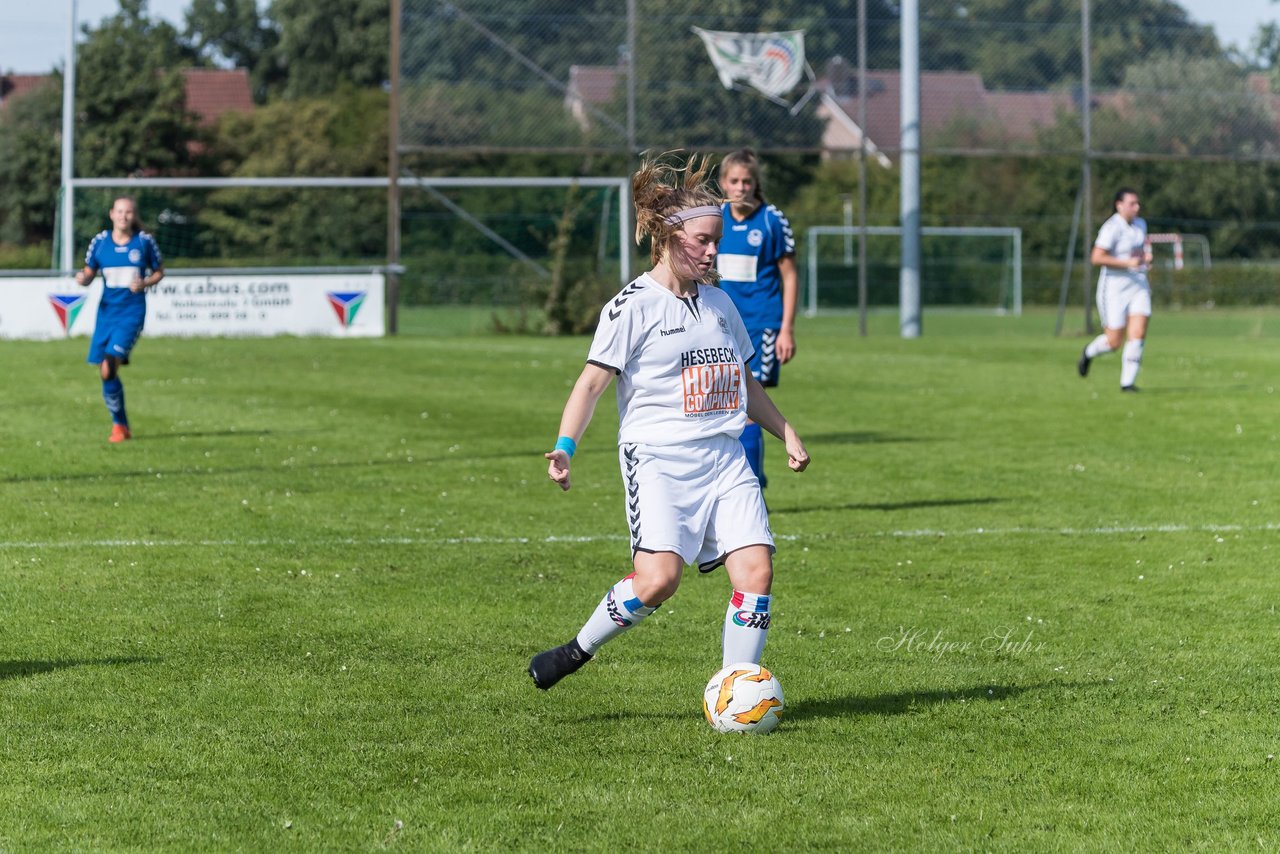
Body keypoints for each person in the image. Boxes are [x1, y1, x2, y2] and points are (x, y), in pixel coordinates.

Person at [528, 153, 811, 691]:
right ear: (666, 236)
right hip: (658, 459)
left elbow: (744, 380)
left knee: (757, 571)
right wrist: (566, 445)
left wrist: (785, 429)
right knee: (658, 581)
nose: (713, 251)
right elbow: (590, 384)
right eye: (703, 240)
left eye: (717, 240)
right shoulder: (631, 307)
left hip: (726, 458)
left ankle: (737, 690)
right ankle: (576, 650)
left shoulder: (722, 305)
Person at [715, 148, 798, 489]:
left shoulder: (772, 220)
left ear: (756, 183)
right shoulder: (714, 217)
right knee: (724, 404)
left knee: (748, 403)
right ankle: (744, 477)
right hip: (719, 325)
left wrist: (785, 330)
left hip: (760, 324)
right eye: (734, 181)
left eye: (747, 181)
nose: (741, 187)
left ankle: (750, 484)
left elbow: (790, 275)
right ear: (723, 184)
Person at [74, 196, 165, 441]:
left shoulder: (143, 242)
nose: (123, 216)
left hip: (131, 314)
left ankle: (119, 426)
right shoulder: (100, 242)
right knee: (105, 371)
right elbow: (89, 272)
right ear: (111, 214)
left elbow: (159, 272)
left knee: (108, 367)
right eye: (119, 211)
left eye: (128, 212)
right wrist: (83, 279)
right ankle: (121, 426)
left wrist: (145, 282)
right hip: (106, 314)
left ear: (133, 216)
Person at [1078, 187, 1151, 392]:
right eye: (1132, 203)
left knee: (1138, 332)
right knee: (1114, 341)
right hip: (1114, 289)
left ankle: (1127, 383)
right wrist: (1127, 262)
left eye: (1138, 203)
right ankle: (1089, 352)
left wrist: (1144, 259)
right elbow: (1097, 257)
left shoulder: (1140, 225)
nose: (1137, 207)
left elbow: (1138, 254)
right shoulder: (1111, 227)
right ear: (1119, 205)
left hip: (1138, 285)